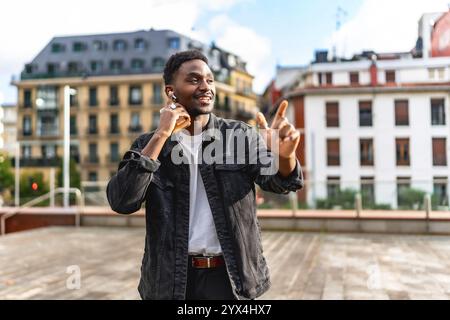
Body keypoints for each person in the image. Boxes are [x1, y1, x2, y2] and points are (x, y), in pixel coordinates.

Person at [106, 50, 304, 300]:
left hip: (230, 280)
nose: (205, 87)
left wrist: (285, 156)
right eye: (194, 80)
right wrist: (160, 136)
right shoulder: (149, 144)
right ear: (170, 91)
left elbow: (279, 182)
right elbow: (122, 201)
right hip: (170, 280)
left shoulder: (239, 136)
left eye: (210, 80)